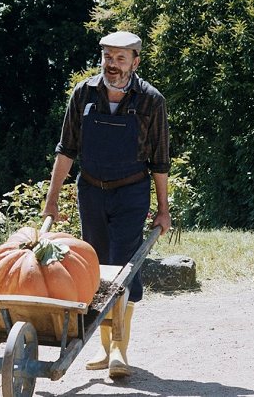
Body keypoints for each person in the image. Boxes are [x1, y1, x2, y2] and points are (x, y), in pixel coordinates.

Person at [42, 30, 171, 378]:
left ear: (135, 61)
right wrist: (51, 200)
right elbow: (66, 149)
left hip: (131, 191)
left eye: (120, 58)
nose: (112, 66)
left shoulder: (150, 101)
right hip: (91, 191)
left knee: (125, 266)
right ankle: (103, 348)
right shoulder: (84, 93)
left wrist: (163, 209)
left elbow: (160, 160)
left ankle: (119, 349)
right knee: (94, 266)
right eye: (107, 58)